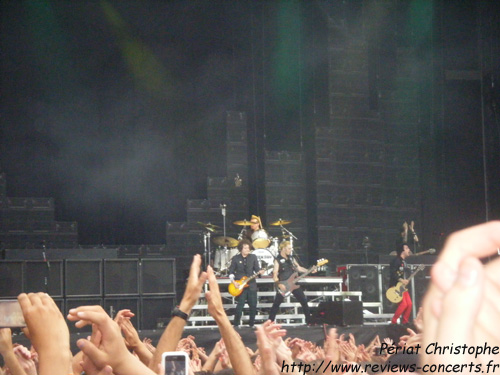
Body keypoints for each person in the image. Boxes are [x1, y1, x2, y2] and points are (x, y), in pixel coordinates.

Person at [268, 241, 314, 324]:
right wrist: (279, 284)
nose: (290, 250)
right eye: (289, 248)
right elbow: (274, 275)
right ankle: (269, 322)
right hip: (284, 285)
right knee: (276, 304)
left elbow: (299, 268)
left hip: (294, 284)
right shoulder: (277, 260)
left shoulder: (291, 258)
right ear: (283, 248)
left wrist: (309, 270)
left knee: (303, 301)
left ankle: (309, 321)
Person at [228, 239, 264, 327]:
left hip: (251, 284)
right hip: (240, 285)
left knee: (253, 305)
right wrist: (234, 282)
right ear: (241, 249)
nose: (247, 250)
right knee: (240, 306)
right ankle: (236, 324)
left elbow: (257, 269)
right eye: (245, 248)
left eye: (248, 248)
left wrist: (260, 272)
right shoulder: (236, 258)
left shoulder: (253, 257)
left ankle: (251, 324)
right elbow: (231, 271)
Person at [389, 242, 412, 324]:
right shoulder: (396, 261)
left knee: (409, 304)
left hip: (402, 287)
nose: (409, 250)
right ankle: (394, 321)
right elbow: (393, 273)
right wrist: (401, 280)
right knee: (404, 304)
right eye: (407, 248)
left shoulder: (403, 261)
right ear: (402, 250)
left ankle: (405, 322)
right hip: (396, 286)